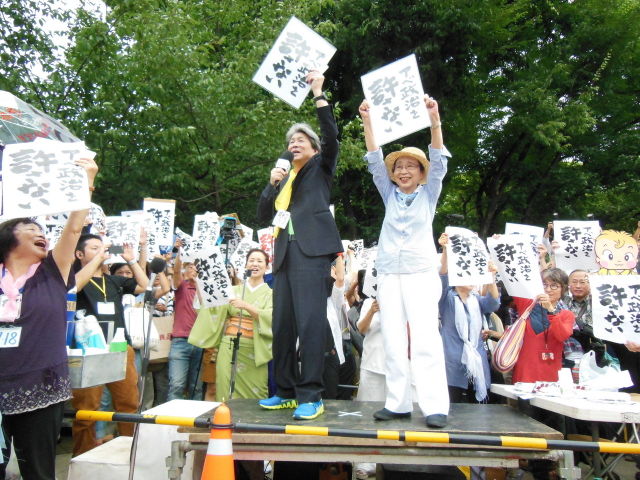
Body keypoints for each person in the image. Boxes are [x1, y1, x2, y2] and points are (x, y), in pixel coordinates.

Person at [0, 157, 98, 479]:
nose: (40, 234)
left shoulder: (52, 272)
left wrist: (86, 180)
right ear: (8, 237)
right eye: (30, 228)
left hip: (41, 389)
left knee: (39, 472)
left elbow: (74, 227)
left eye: (42, 230)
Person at [359, 95, 451, 428]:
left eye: (410, 166)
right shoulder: (389, 194)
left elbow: (438, 158)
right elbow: (374, 159)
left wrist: (434, 119)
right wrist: (367, 120)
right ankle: (397, 402)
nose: (403, 171)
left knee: (425, 338)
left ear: (421, 172)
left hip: (420, 272)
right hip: (389, 272)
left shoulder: (429, 193)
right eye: (398, 167)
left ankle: (434, 406)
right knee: (392, 338)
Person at [256, 70, 342, 420]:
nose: (294, 144)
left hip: (312, 254)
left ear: (314, 149)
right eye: (291, 141)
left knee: (309, 325)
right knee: (283, 327)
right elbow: (264, 215)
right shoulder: (284, 179)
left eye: (302, 140)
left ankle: (312, 395)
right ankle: (286, 391)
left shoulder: (320, 168)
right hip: (284, 257)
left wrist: (318, 93)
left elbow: (332, 137)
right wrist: (271, 184)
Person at [71, 235, 148, 456]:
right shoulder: (75, 279)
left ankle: (129, 450)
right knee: (87, 408)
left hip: (119, 346)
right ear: (79, 254)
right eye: (94, 248)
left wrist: (131, 259)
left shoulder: (113, 281)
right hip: (89, 349)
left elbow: (143, 285)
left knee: (129, 403)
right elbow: (74, 287)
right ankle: (82, 455)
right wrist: (99, 257)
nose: (101, 250)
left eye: (102, 247)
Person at [189, 249, 273, 400]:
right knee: (225, 390)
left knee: (256, 391)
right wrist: (200, 283)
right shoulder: (233, 290)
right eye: (251, 260)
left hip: (255, 348)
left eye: (259, 261)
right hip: (229, 346)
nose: (255, 264)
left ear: (267, 267)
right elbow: (211, 309)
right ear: (245, 265)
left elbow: (272, 318)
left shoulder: (271, 294)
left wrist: (246, 306)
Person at [438, 233, 500, 403]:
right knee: (453, 405)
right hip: (452, 359)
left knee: (478, 407)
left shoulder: (477, 300)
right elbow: (442, 276)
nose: (472, 279)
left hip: (477, 360)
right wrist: (446, 250)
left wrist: (491, 276)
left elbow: (494, 303)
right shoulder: (447, 298)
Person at [511, 268, 575, 383]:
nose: (548, 289)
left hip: (551, 373)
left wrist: (550, 310)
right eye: (544, 285)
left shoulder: (566, 315)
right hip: (525, 372)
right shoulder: (527, 306)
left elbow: (562, 335)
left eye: (554, 286)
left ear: (563, 289)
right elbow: (514, 282)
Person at [168, 239, 203, 400]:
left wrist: (198, 283)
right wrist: (179, 252)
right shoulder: (181, 285)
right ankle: (170, 416)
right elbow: (176, 272)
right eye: (190, 267)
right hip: (180, 341)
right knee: (176, 385)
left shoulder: (205, 290)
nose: (194, 270)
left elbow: (205, 307)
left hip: (200, 342)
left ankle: (197, 417)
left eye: (197, 267)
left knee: (196, 387)